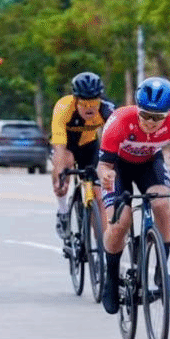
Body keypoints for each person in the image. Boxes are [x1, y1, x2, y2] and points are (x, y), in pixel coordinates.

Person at [97, 76, 170, 315]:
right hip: (118, 167)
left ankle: (161, 271)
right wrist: (105, 176)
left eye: (157, 117)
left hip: (149, 164)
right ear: (137, 108)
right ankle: (111, 277)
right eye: (145, 115)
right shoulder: (119, 120)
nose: (151, 122)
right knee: (120, 222)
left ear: (168, 113)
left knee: (161, 204)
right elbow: (103, 165)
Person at [50, 71, 114, 238]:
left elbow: (118, 139)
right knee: (64, 170)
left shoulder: (106, 109)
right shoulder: (64, 108)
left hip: (89, 146)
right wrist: (60, 174)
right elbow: (59, 147)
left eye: (93, 103)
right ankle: (63, 211)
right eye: (84, 103)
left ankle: (102, 244)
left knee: (99, 196)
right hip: (66, 146)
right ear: (76, 100)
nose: (89, 108)